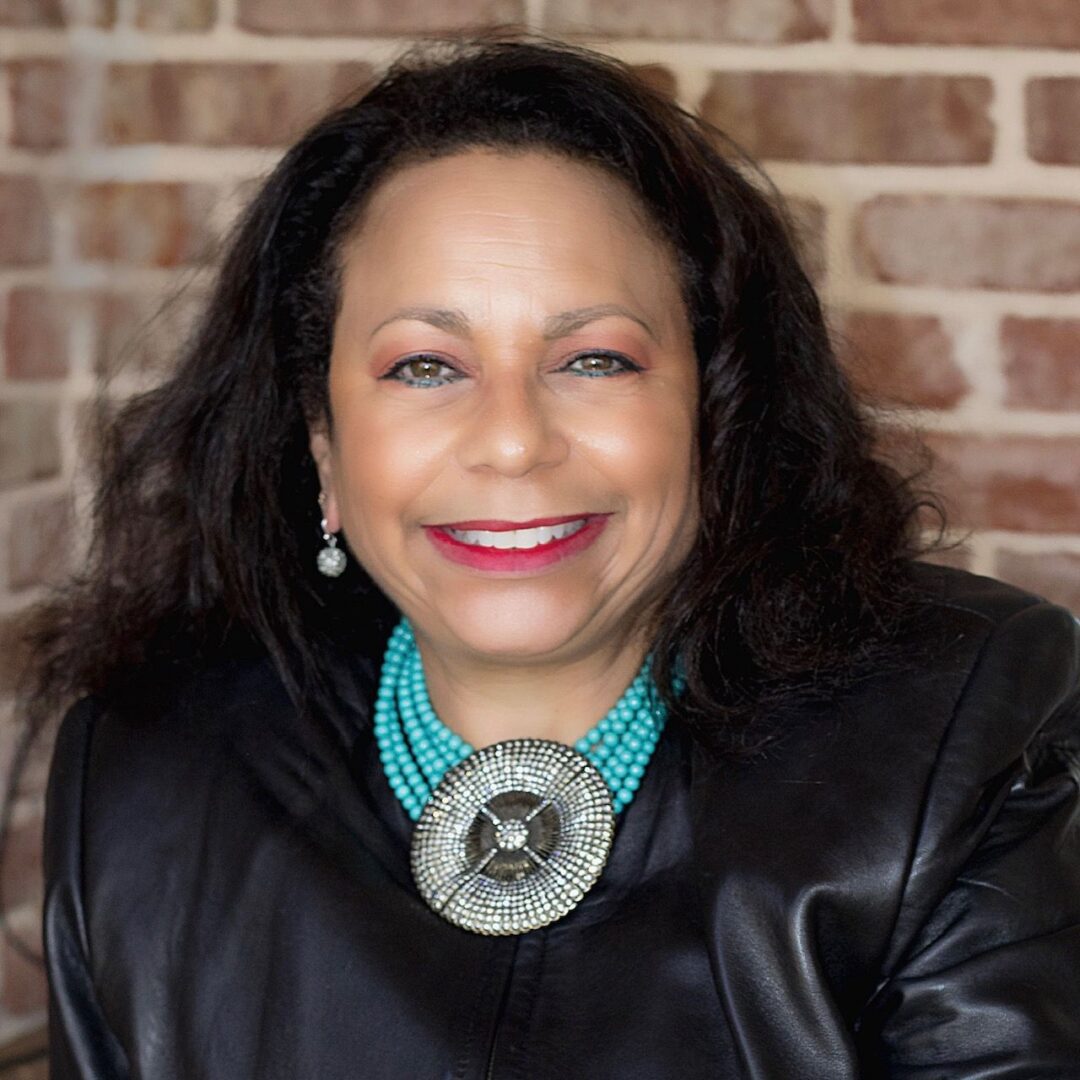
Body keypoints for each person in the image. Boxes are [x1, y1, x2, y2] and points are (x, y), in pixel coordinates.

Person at [16, 30, 1079, 1078]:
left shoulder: (965, 735)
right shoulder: (147, 772)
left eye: (595, 359)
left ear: (712, 416)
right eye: (426, 367)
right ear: (324, 449)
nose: (515, 439)